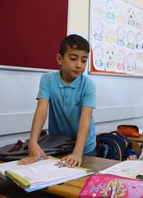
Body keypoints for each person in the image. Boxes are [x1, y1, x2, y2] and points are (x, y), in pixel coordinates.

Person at [19, 34, 97, 167]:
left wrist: (78, 153)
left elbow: (86, 119)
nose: (79, 65)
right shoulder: (47, 80)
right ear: (59, 59)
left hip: (84, 148)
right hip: (58, 145)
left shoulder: (88, 85)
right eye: (73, 58)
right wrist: (33, 142)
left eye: (84, 60)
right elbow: (41, 110)